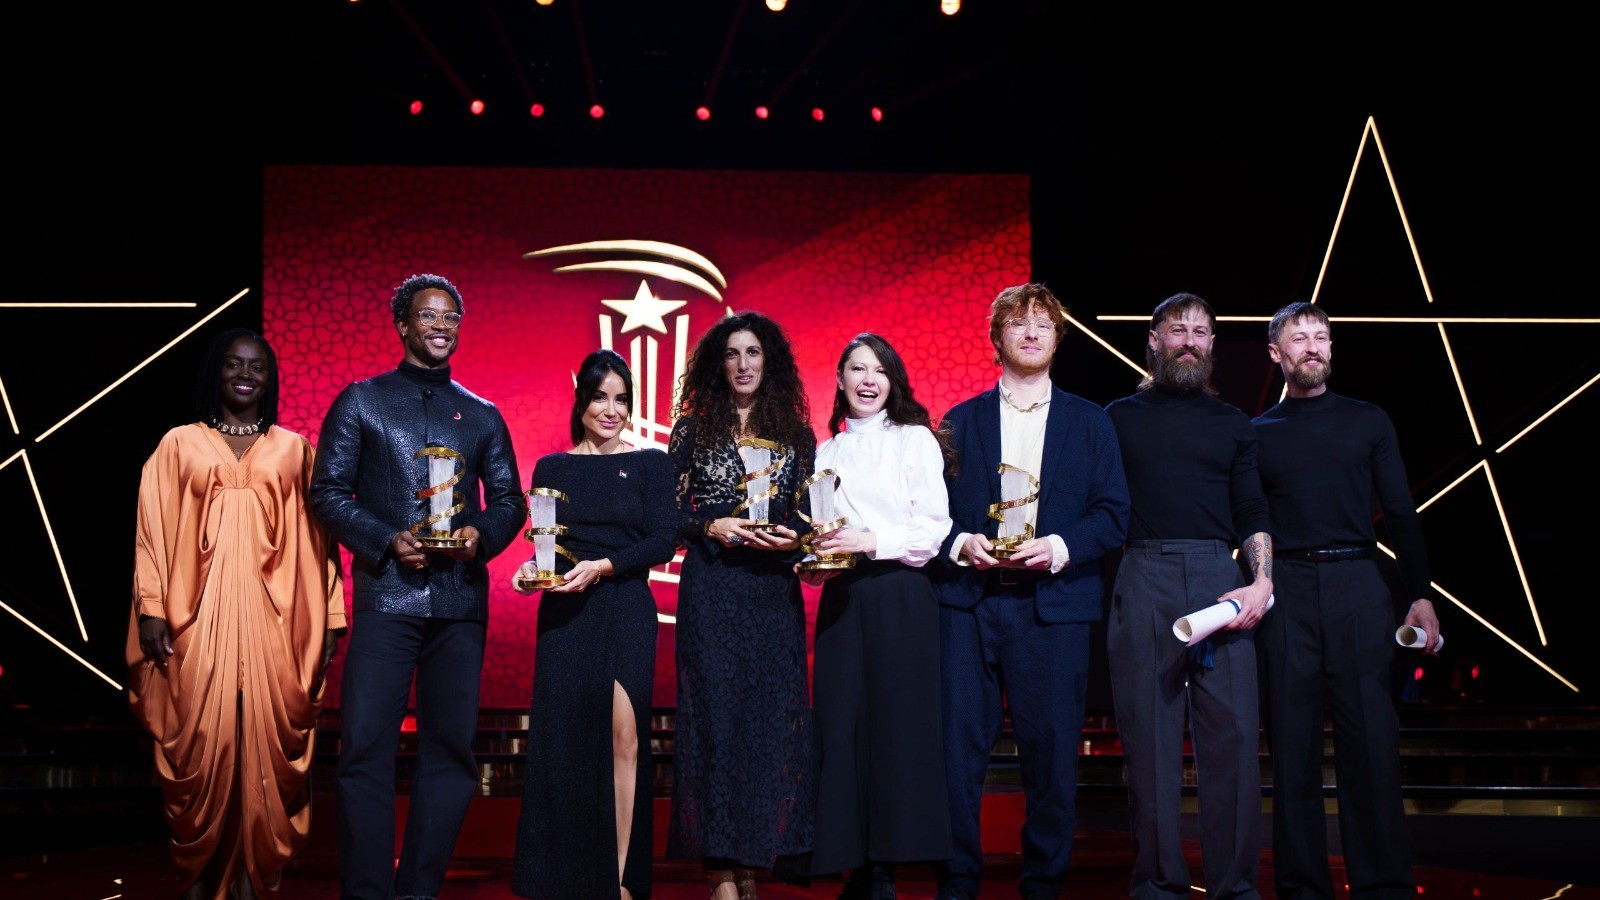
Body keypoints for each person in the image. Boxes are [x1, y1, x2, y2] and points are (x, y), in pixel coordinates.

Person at [309, 273, 524, 900]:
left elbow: (509, 500)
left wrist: (481, 533)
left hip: (459, 603)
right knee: (364, 750)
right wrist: (385, 539)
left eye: (451, 317)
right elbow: (327, 492)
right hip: (387, 597)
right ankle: (367, 891)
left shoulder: (482, 414)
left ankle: (420, 889)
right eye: (428, 315)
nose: (441, 326)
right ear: (402, 323)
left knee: (451, 752)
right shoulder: (362, 401)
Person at [128, 327, 344, 900]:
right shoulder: (178, 444)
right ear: (215, 373)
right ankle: (200, 880)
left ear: (270, 379)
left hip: (277, 625)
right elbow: (151, 530)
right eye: (233, 364)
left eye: (257, 367)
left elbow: (320, 542)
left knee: (263, 751)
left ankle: (253, 880)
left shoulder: (295, 450)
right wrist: (151, 608)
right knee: (204, 746)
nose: (245, 375)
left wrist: (329, 617)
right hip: (196, 622)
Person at [934, 283, 1129, 900]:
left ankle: (1043, 884)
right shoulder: (959, 421)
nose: (1031, 332)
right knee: (958, 756)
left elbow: (1113, 515)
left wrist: (1060, 547)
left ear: (1057, 338)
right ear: (997, 338)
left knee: (1051, 757)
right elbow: (928, 514)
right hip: (968, 603)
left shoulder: (1091, 422)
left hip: (1054, 606)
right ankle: (957, 881)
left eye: (1043, 323)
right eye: (1018, 323)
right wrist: (961, 542)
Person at [1251, 302, 1443, 900]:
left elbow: (1401, 511)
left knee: (1371, 745)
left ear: (1331, 348)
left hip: (1359, 585)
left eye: (1321, 336)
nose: (1312, 346)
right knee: (1292, 748)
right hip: (1288, 592)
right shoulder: (1257, 433)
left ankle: (1383, 885)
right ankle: (1302, 887)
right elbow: (1252, 522)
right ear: (1276, 353)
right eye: (1299, 338)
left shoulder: (1367, 420)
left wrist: (1420, 594)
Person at [1103, 292, 1274, 900]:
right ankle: (1157, 883)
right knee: (1148, 743)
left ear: (1212, 346)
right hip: (1142, 573)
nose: (1190, 341)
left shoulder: (1233, 423)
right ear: (1154, 340)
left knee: (1233, 739)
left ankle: (1236, 887)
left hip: (1217, 579)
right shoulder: (1117, 417)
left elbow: (1251, 507)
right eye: (1178, 330)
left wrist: (1262, 581)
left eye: (1201, 332)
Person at [511, 348, 678, 900]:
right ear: (581, 399)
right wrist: (531, 570)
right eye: (601, 397)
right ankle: (563, 878)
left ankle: (621, 880)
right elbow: (548, 544)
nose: (612, 410)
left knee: (625, 738)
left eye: (622, 400)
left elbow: (663, 539)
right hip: (566, 612)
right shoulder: (552, 468)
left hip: (625, 603)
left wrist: (605, 566)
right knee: (564, 743)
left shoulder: (651, 463)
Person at [665, 313, 816, 900]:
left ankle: (752, 861)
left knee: (767, 728)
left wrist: (792, 535)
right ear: (717, 364)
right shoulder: (692, 430)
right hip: (713, 591)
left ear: (769, 360)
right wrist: (712, 526)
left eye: (753, 352)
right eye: (732, 353)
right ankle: (721, 871)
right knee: (714, 725)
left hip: (772, 594)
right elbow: (669, 517)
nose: (744, 363)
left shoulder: (797, 434)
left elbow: (810, 515)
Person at [802, 332, 954, 900]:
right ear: (840, 379)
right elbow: (822, 532)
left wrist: (871, 539)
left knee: (897, 726)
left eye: (879, 370)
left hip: (901, 593)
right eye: (858, 369)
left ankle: (888, 866)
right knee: (841, 725)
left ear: (893, 381)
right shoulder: (826, 452)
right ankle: (854, 864)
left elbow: (933, 528)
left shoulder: (914, 439)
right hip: (844, 596)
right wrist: (814, 565)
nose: (868, 380)